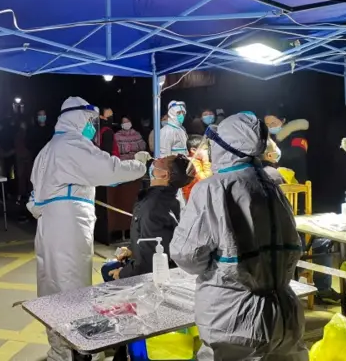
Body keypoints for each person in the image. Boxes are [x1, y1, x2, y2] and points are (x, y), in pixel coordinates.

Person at [170, 112, 308, 361]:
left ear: (225, 146)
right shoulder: (273, 183)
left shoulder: (213, 188)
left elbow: (187, 256)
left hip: (234, 317)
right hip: (284, 311)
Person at [26, 96, 148, 361]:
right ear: (79, 118)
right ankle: (79, 351)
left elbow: (34, 196)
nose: (92, 127)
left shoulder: (48, 149)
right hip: (68, 223)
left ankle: (60, 351)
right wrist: (139, 164)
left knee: (51, 286)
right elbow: (109, 169)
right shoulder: (73, 145)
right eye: (91, 121)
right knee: (72, 288)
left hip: (48, 223)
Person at [107, 155, 194, 281]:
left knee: (107, 271)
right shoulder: (166, 199)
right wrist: (131, 249)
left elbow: (148, 262)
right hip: (161, 264)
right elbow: (155, 239)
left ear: (165, 175)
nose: (156, 160)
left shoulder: (153, 207)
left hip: (153, 274)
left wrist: (122, 274)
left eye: (161, 161)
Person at [264, 113, 309, 183]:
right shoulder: (270, 138)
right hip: (277, 183)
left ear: (283, 120)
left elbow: (299, 150)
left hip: (296, 182)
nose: (270, 127)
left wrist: (278, 155)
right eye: (267, 124)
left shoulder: (296, 133)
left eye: (273, 123)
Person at [182, 134, 212, 201]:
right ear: (193, 150)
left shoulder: (198, 161)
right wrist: (206, 159)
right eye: (205, 149)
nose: (207, 152)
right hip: (195, 199)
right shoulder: (191, 164)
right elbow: (206, 180)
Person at [14, 120, 33, 203]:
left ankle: (23, 196)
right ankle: (22, 196)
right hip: (23, 160)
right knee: (24, 178)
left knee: (24, 178)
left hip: (24, 159)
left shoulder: (23, 134)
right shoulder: (22, 134)